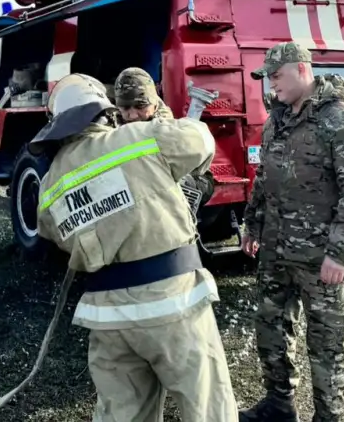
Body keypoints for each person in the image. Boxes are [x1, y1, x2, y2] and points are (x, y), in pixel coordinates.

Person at [32, 73, 238, 422]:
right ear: (105, 112)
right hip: (173, 306)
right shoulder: (136, 139)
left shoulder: (49, 184)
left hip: (107, 318)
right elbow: (199, 140)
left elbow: (55, 233)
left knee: (122, 414)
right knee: (206, 407)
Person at [239, 42, 344, 422]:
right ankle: (278, 405)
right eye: (267, 78)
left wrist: (340, 253)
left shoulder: (342, 119)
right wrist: (252, 224)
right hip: (276, 251)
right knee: (270, 329)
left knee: (327, 345)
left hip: (321, 259)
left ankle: (329, 416)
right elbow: (264, 177)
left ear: (301, 69)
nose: (271, 85)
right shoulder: (279, 118)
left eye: (276, 76)